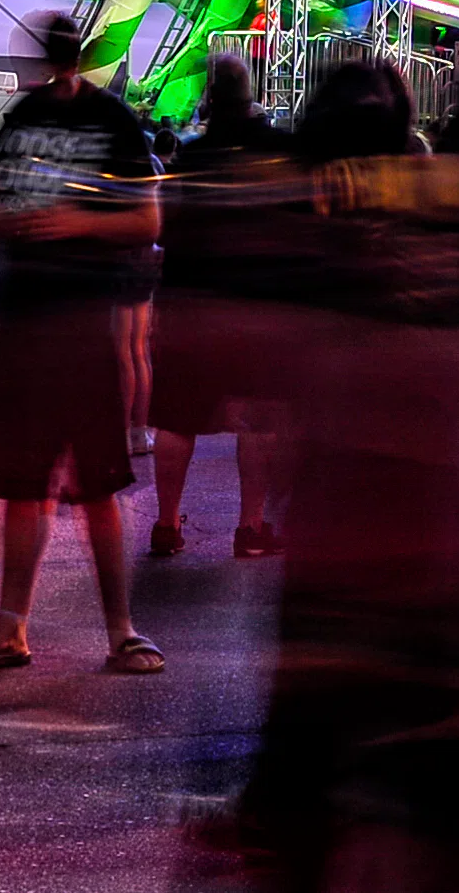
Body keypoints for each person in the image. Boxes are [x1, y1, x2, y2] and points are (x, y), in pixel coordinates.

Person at [0, 10, 166, 679]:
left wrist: (73, 220)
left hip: (79, 320)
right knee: (21, 485)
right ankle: (9, 630)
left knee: (98, 485)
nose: (43, 70)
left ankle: (122, 630)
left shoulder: (113, 120)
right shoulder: (16, 119)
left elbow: (148, 219)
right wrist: (1, 220)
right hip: (20, 317)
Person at [143, 69, 292, 559]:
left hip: (192, 304)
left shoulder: (190, 157)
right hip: (257, 305)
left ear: (209, 100)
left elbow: (169, 231)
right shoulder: (275, 151)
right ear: (250, 99)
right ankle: (250, 527)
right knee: (259, 420)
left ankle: (166, 524)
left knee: (177, 419)